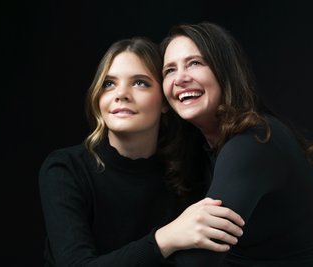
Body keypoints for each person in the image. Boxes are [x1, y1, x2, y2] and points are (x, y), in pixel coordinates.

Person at [38, 37, 245, 267]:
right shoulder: (66, 169)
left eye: (140, 83)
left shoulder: (187, 171)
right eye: (109, 83)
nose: (121, 94)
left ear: (165, 101)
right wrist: (165, 239)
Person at [159, 22, 313, 266]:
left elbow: (198, 260)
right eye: (170, 70)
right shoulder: (202, 147)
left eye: (195, 63)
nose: (180, 78)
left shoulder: (254, 141)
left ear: (226, 71)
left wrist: (161, 240)